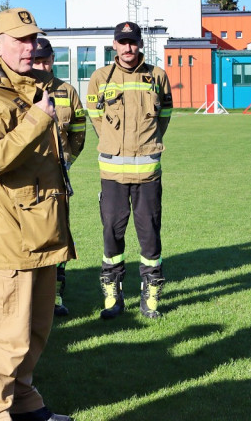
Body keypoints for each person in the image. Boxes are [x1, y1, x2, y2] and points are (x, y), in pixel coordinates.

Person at [0, 8, 74, 421]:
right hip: (9, 234)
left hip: (41, 230)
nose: (29, 47)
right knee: (6, 335)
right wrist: (34, 121)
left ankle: (25, 404)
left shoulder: (32, 89)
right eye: (20, 40)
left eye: (32, 40)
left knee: (34, 333)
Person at [86, 21, 172, 320]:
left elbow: (165, 116)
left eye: (132, 42)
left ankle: (151, 294)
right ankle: (113, 294)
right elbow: (96, 116)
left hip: (148, 174)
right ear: (114, 45)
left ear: (140, 44)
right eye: (122, 42)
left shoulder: (158, 76)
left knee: (150, 236)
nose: (128, 48)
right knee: (111, 235)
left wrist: (148, 144)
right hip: (112, 174)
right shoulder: (100, 78)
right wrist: (112, 142)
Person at [30, 37, 86, 317]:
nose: (41, 65)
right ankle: (29, 295)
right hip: (27, 179)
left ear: (52, 60)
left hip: (57, 179)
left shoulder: (67, 91)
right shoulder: (21, 89)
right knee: (29, 236)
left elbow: (79, 129)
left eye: (45, 60)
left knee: (59, 235)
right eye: (36, 60)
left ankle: (55, 295)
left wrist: (68, 162)